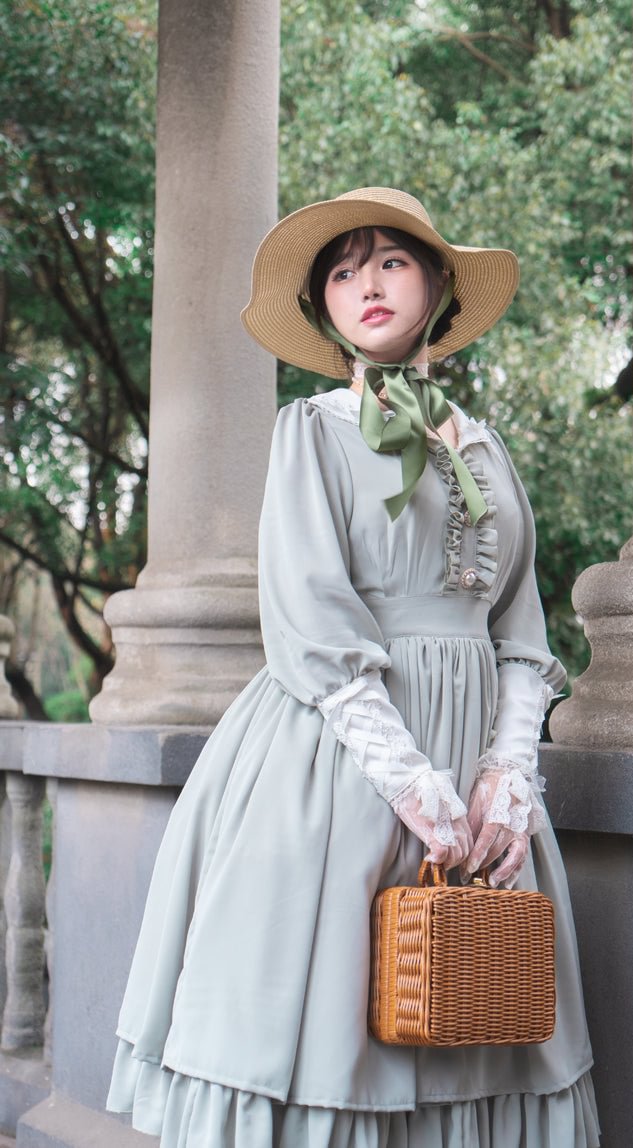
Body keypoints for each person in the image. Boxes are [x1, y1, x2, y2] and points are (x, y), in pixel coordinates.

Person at [106, 187, 600, 1148]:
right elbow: (309, 617)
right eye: (342, 271)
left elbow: (521, 632)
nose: (364, 284)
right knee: (330, 1021)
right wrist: (411, 780)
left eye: (389, 261)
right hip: (340, 757)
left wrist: (508, 773)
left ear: (439, 285)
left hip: (476, 767)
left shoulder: (489, 450)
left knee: (477, 1001)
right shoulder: (314, 431)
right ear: (323, 308)